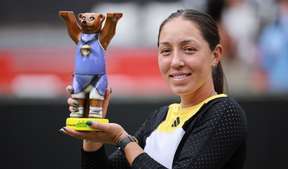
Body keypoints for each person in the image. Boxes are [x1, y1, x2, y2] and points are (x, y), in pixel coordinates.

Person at [60, 9, 247, 169]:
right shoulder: (161, 117)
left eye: (189, 49)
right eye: (166, 51)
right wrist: (93, 129)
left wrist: (123, 140)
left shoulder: (225, 111)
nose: (176, 62)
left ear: (215, 55)